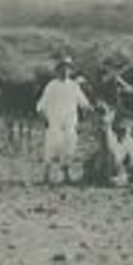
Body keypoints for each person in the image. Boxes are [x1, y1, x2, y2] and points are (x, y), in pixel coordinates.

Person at [36, 57, 90, 185]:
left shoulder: (74, 86)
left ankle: (66, 176)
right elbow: (40, 106)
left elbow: (84, 102)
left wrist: (91, 108)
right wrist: (45, 119)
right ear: (57, 70)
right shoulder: (51, 86)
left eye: (67, 68)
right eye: (62, 68)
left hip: (70, 124)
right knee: (51, 149)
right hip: (55, 124)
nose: (65, 71)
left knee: (69, 149)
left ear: (70, 71)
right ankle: (46, 176)